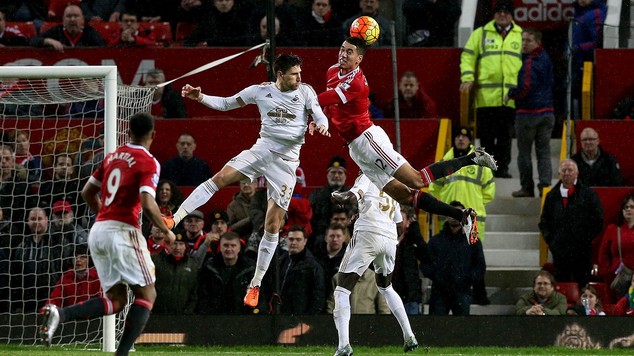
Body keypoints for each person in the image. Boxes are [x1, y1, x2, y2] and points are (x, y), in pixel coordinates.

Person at [166, 53, 331, 309]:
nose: (299, 78)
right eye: (294, 74)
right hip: (261, 151)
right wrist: (200, 97)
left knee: (273, 225)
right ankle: (174, 218)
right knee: (220, 178)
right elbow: (226, 104)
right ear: (279, 74)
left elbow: (320, 115)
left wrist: (320, 125)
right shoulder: (260, 91)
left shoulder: (307, 92)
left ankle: (255, 284)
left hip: (286, 164)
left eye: (300, 73)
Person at [316, 37, 497, 246]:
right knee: (404, 196)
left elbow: (325, 100)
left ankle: (473, 158)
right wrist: (319, 120)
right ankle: (461, 215)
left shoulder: (356, 82)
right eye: (342, 49)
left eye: (349, 52)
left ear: (359, 59)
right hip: (354, 147)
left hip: (368, 140)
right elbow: (331, 108)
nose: (343, 54)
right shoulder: (332, 71)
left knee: (417, 181)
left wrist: (303, 100)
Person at [39, 112, 176, 354]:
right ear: (153, 134)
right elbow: (147, 201)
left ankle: (61, 313)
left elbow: (87, 193)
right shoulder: (149, 161)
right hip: (122, 231)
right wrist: (166, 231)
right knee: (148, 293)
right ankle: (121, 354)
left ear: (129, 132)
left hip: (98, 231)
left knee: (117, 300)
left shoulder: (113, 156)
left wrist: (105, 215)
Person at [330, 173, 418, 356]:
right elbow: (400, 225)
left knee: (341, 291)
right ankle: (409, 336)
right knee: (386, 287)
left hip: (368, 234)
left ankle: (343, 346)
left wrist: (335, 195)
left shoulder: (367, 174)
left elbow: (351, 196)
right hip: (389, 239)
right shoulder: (390, 184)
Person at [428, 125, 494, 305]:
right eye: (458, 136)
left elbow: (489, 191)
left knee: (475, 257)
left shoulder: (480, 162)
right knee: (452, 255)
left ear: (470, 141)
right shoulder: (445, 161)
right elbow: (434, 187)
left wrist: (476, 205)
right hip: (450, 215)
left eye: (465, 137)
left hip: (473, 217)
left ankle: (480, 294)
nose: (461, 139)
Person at [459, 0, 523, 178]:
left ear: (512, 15)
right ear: (494, 14)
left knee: (505, 137)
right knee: (486, 136)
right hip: (485, 97)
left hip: (509, 97)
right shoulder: (481, 33)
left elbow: (527, 63)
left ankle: (502, 168)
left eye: (506, 12)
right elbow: (468, 56)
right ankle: (487, 170)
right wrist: (467, 77)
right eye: (499, 11)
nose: (503, 14)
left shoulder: (520, 35)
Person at [505, 28, 555, 198]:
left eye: (528, 40)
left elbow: (525, 88)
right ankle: (546, 187)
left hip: (528, 114)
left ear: (537, 42)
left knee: (524, 154)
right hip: (547, 112)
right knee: (544, 152)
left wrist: (511, 93)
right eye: (523, 40)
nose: (524, 44)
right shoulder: (546, 58)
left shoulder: (529, 61)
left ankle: (527, 188)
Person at [539, 159, 604, 288]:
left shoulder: (588, 195)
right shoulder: (551, 196)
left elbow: (598, 220)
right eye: (564, 170)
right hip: (560, 252)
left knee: (583, 286)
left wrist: (585, 239)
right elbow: (544, 222)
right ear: (559, 173)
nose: (567, 173)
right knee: (562, 287)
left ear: (577, 173)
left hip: (582, 252)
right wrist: (552, 241)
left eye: (570, 170)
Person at [421, 201, 486, 316]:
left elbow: (480, 266)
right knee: (437, 328)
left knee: (461, 329)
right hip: (439, 293)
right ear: (446, 215)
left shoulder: (472, 241)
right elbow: (425, 264)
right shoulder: (436, 241)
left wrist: (467, 279)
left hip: (462, 292)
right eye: (451, 213)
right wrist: (437, 276)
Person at [10, 207, 71, 313]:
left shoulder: (58, 242)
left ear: (46, 219)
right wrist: (17, 304)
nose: (36, 222)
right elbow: (16, 277)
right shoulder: (22, 246)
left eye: (39, 218)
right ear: (28, 221)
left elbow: (66, 271)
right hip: (28, 302)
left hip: (52, 299)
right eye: (33, 219)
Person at [196, 231, 256, 314]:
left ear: (239, 248)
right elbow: (203, 295)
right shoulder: (209, 267)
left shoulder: (250, 268)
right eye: (225, 245)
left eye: (233, 245)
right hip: (215, 318)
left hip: (243, 318)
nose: (229, 249)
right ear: (220, 247)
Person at [274, 225, 325, 315]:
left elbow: (318, 298)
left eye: (298, 239)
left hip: (300, 318)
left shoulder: (313, 266)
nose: (294, 242)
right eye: (291, 239)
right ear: (286, 240)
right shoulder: (280, 261)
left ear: (305, 241)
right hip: (278, 315)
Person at [570, 0, 607, 119]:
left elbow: (597, 42)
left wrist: (577, 48)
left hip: (586, 65)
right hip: (576, 64)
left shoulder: (595, 13)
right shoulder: (579, 13)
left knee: (582, 100)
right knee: (574, 98)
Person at [151, 231, 199, 314]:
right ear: (167, 244)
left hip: (182, 316)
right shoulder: (156, 261)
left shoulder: (192, 266)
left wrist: (188, 312)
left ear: (185, 246)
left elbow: (194, 293)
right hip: (157, 314)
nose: (177, 247)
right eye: (174, 243)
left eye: (181, 244)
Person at [310, 155, 351, 244]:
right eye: (333, 172)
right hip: (320, 240)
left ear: (345, 176)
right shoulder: (317, 195)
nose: (336, 176)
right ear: (327, 175)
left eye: (340, 173)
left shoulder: (352, 196)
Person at [598, 193, 634, 296]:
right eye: (625, 207)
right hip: (617, 278)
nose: (628, 209)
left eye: (632, 207)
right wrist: (607, 272)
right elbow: (603, 253)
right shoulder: (613, 229)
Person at [392, 205, 425, 315]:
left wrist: (415, 229)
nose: (397, 223)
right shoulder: (385, 241)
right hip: (391, 294)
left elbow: (427, 256)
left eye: (401, 219)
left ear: (408, 223)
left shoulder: (412, 241)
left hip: (410, 295)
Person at [29, 4, 105, 51]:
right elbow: (33, 41)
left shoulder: (90, 32)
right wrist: (48, 41)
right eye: (68, 16)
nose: (72, 19)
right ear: (63, 20)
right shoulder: (57, 30)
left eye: (76, 16)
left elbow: (103, 48)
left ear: (82, 19)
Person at [314, 223, 347, 306]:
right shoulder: (316, 257)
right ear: (326, 238)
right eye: (332, 236)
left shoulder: (348, 259)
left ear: (344, 238)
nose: (335, 239)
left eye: (338, 236)